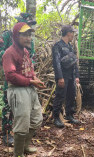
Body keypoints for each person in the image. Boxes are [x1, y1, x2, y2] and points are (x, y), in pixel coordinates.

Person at [2, 22, 45, 157]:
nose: (29, 38)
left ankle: (25, 146)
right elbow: (10, 75)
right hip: (18, 90)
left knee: (36, 119)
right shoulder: (9, 53)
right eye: (25, 35)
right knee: (21, 125)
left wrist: (34, 77)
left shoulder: (25, 51)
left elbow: (30, 68)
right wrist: (30, 81)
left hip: (29, 88)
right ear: (16, 36)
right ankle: (18, 154)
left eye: (29, 35)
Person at [0, 13, 36, 146]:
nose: (28, 30)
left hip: (25, 78)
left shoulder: (29, 39)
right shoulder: (7, 36)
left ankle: (21, 133)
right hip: (12, 76)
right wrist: (12, 57)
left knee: (24, 108)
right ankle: (7, 133)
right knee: (8, 105)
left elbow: (32, 55)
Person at [52, 25, 81, 128]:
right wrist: (60, 77)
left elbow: (74, 62)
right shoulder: (57, 46)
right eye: (72, 33)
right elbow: (56, 63)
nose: (73, 35)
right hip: (63, 76)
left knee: (71, 95)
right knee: (60, 96)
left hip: (71, 76)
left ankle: (69, 115)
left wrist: (76, 75)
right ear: (68, 33)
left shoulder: (70, 47)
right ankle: (56, 118)